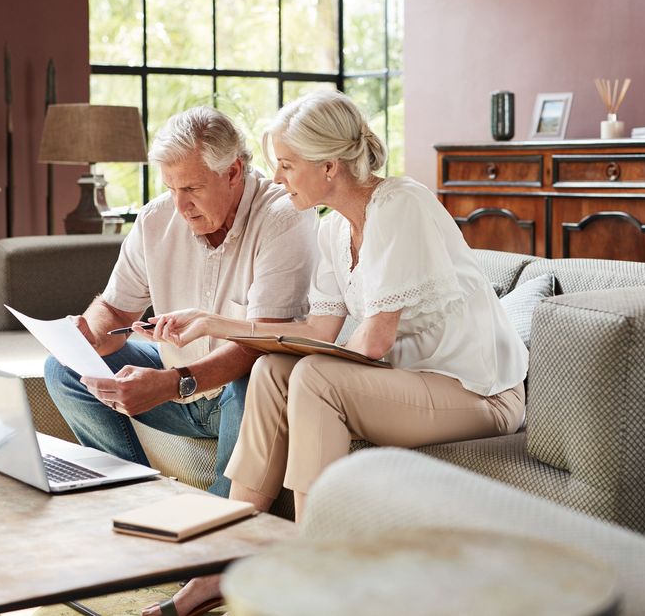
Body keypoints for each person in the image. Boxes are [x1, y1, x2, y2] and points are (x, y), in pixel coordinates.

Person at [140, 90, 529, 616]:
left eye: (286, 165)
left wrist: (300, 360)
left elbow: (372, 343)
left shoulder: (400, 204)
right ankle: (222, 561)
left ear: (328, 167)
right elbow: (316, 329)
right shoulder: (332, 227)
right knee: (277, 369)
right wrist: (215, 323)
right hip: (406, 388)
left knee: (313, 377)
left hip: (478, 394)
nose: (276, 178)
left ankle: (312, 573)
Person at [43, 106, 318, 499]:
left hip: (235, 392)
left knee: (258, 375)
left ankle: (220, 513)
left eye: (191, 189)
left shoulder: (283, 216)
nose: (180, 206)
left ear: (234, 172)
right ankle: (132, 492)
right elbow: (116, 310)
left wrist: (172, 383)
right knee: (62, 368)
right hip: (178, 385)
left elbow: (259, 343)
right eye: (172, 189)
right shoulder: (156, 219)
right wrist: (87, 335)